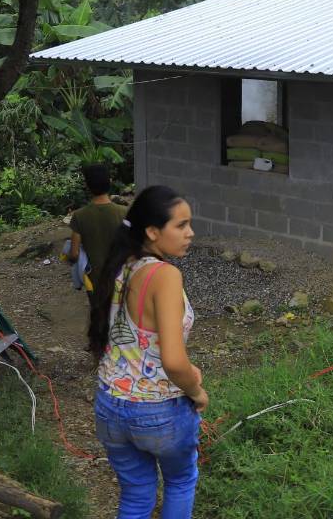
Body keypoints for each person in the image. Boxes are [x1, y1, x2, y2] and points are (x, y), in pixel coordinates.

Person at [88, 186, 204, 519]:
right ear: (152, 231)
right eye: (181, 225)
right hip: (158, 409)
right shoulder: (165, 276)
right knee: (180, 481)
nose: (190, 233)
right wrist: (196, 389)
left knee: (137, 495)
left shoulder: (123, 265)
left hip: (110, 404)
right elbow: (173, 361)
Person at [67, 164, 127, 321]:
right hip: (121, 278)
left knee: (99, 319)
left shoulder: (80, 216)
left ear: (87, 186)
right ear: (110, 182)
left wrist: (71, 260)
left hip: (94, 281)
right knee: (121, 319)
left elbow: (74, 254)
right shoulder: (124, 213)